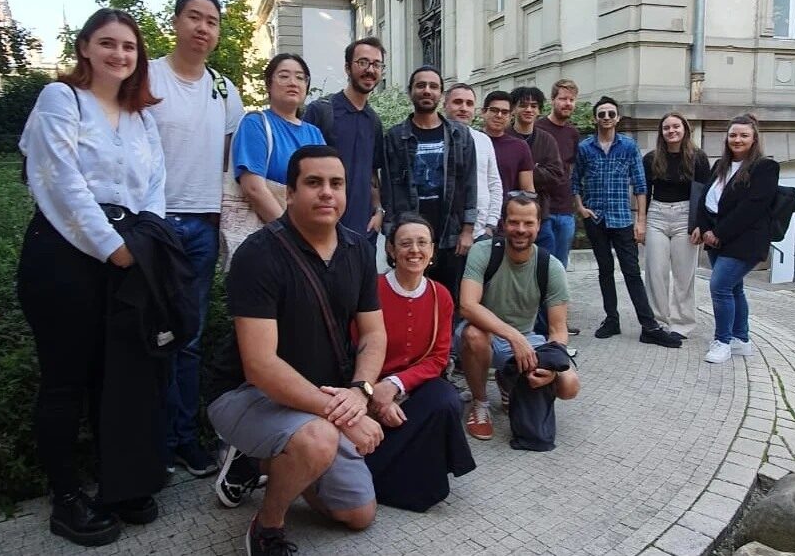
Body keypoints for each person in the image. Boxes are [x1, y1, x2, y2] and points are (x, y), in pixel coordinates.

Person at [17, 9, 168, 546]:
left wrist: (144, 241)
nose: (120, 55)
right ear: (84, 48)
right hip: (64, 256)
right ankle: (65, 497)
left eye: (129, 47)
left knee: (117, 377)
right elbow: (59, 181)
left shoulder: (141, 117)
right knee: (66, 382)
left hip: (129, 252)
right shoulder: (62, 101)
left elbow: (155, 187)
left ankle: (119, 483)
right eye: (108, 44)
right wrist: (113, 248)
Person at [207, 146, 386, 556]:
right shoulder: (259, 255)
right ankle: (267, 527)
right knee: (319, 441)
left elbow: (374, 334)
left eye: (336, 184)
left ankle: (259, 460)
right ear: (289, 193)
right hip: (245, 393)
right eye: (313, 183)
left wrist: (360, 393)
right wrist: (342, 416)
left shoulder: (358, 249)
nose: (327, 193)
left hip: (320, 397)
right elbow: (260, 366)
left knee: (359, 515)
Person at [148, 0, 245, 478]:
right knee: (146, 337)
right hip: (151, 227)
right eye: (194, 17)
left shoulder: (225, 90)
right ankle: (145, 444)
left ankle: (182, 439)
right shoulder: (145, 77)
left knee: (187, 337)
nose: (203, 28)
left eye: (212, 21)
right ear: (177, 21)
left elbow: (233, 162)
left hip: (203, 225)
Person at [363, 213, 476, 511]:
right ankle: (373, 476)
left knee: (447, 400)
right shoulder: (370, 290)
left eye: (422, 242)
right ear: (390, 249)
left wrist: (395, 386)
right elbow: (354, 348)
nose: (415, 250)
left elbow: (439, 357)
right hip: (366, 386)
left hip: (411, 384)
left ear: (432, 250)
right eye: (406, 243)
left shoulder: (441, 296)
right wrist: (377, 395)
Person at [456, 193, 581, 441]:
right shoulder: (484, 251)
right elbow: (467, 306)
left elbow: (558, 330)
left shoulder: (550, 266)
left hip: (527, 338)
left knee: (569, 386)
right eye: (514, 222)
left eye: (528, 223)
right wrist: (513, 336)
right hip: (487, 335)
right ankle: (481, 404)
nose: (520, 230)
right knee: (472, 334)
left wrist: (553, 369)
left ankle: (508, 378)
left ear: (538, 225)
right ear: (504, 224)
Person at [571, 96, 682, 348]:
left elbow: (641, 186)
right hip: (596, 218)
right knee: (604, 270)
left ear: (617, 118)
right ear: (595, 119)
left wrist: (640, 221)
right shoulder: (585, 148)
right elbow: (575, 180)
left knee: (631, 272)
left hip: (622, 219)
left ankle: (649, 326)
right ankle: (612, 319)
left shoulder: (629, 146)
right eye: (602, 114)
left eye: (611, 114)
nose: (607, 118)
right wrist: (581, 208)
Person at [380, 65, 477, 301]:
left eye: (433, 86)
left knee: (448, 298)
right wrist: (390, 233)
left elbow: (470, 183)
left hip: (450, 232)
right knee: (410, 295)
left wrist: (468, 229)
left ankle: (445, 339)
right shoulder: (395, 137)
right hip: (409, 231)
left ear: (441, 95)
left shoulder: (460, 135)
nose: (427, 91)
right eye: (421, 85)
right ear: (410, 92)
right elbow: (388, 190)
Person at [695, 115, 779, 364]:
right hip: (715, 238)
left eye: (744, 135)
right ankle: (741, 340)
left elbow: (751, 209)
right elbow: (704, 199)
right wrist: (703, 227)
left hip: (745, 241)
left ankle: (722, 341)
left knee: (719, 286)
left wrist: (718, 233)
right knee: (734, 288)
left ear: (754, 139)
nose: (737, 139)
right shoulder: (720, 164)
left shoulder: (765, 167)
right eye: (733, 135)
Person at [303, 37, 386, 239]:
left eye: (377, 64)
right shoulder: (321, 111)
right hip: (323, 230)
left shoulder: (373, 120)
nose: (370, 69)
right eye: (363, 62)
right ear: (348, 68)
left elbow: (372, 173)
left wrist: (378, 211)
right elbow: (302, 171)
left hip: (363, 233)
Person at [232, 53, 325, 225]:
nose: (293, 82)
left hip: (310, 230)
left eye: (300, 77)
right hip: (271, 233)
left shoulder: (314, 134)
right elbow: (253, 188)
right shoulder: (255, 123)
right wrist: (290, 234)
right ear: (269, 84)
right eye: (284, 76)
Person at [642, 112, 710, 340]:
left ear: (685, 129)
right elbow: (644, 194)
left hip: (685, 216)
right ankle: (657, 322)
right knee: (655, 272)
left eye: (675, 127)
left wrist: (701, 224)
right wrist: (640, 222)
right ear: (661, 133)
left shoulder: (698, 158)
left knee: (684, 274)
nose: (671, 131)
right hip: (657, 215)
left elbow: (704, 194)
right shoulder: (651, 159)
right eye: (666, 128)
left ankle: (682, 323)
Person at [535, 78, 582, 335]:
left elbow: (572, 171)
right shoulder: (539, 128)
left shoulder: (573, 133)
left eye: (571, 99)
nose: (567, 103)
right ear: (553, 100)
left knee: (559, 270)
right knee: (539, 268)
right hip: (541, 209)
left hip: (565, 210)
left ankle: (556, 322)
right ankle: (538, 323)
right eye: (563, 98)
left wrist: (577, 204)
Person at [508, 86, 564, 257]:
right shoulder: (504, 137)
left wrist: (526, 171)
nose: (529, 110)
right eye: (523, 105)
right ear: (514, 109)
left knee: (545, 263)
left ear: (539, 110)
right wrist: (537, 169)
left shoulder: (547, 140)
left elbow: (556, 175)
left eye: (533, 106)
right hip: (508, 214)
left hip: (540, 214)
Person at [442, 83, 502, 240]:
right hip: (443, 232)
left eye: (469, 103)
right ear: (445, 106)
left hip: (480, 232)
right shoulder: (436, 139)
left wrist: (490, 225)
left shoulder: (483, 140)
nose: (464, 108)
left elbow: (494, 184)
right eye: (457, 102)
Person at [480, 90, 534, 199]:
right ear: (483, 112)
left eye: (505, 112)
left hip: (508, 213)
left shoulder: (520, 147)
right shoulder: (472, 141)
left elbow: (528, 191)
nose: (499, 115)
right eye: (494, 110)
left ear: (510, 116)